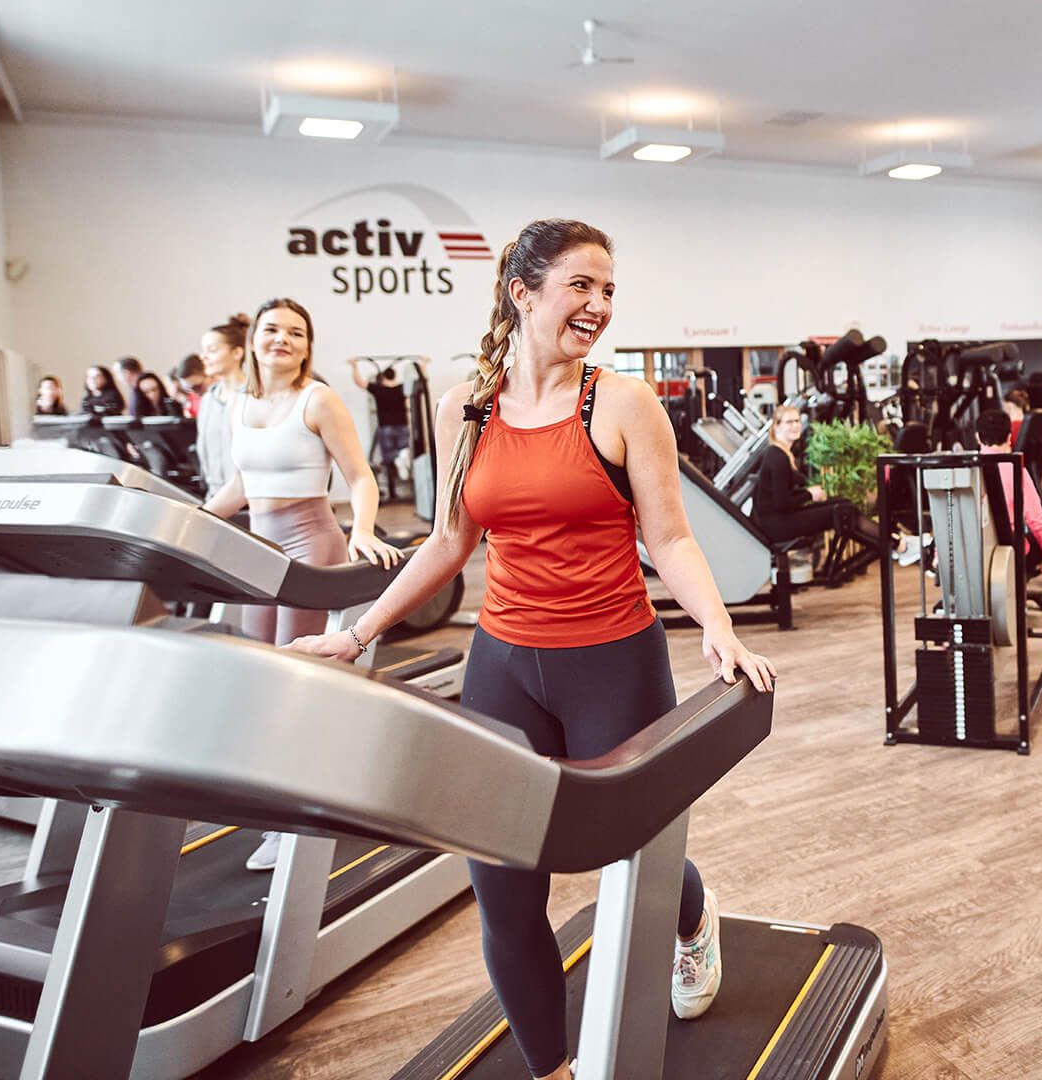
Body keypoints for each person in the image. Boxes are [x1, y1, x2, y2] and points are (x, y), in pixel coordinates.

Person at [292, 219, 776, 1080]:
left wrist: (717, 625)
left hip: (613, 659)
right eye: (580, 286)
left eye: (609, 290)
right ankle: (549, 1067)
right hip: (504, 662)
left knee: (642, 846)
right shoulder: (466, 405)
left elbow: (669, 539)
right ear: (523, 292)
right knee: (504, 885)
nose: (598, 305)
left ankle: (693, 926)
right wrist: (358, 632)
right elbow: (448, 543)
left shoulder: (623, 403)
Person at [203, 297, 400, 871]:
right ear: (253, 341)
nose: (282, 340)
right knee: (258, 678)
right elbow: (242, 481)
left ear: (307, 345)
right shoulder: (241, 402)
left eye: (295, 332)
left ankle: (292, 819)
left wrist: (362, 528)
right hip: (256, 548)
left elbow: (359, 475)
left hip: (309, 543)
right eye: (271, 330)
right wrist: (193, 521)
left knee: (293, 681)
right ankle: (276, 798)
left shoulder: (319, 400)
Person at [753, 404, 911, 565]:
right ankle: (898, 545)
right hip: (778, 525)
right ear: (776, 426)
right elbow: (782, 503)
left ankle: (893, 539)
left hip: (779, 520)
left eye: (797, 421)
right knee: (844, 511)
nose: (795, 426)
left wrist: (810, 491)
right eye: (789, 422)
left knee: (844, 503)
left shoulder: (781, 453)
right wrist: (809, 494)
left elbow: (789, 493)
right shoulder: (778, 457)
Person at [977, 408, 1042, 575]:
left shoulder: (966, 471)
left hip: (975, 555)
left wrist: (938, 555)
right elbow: (1035, 519)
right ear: (1009, 437)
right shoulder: (1015, 469)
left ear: (977, 437)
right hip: (1011, 556)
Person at [197, 315, 250, 500]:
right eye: (203, 350)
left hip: (247, 502)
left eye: (212, 350)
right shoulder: (208, 399)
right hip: (214, 497)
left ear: (237, 353)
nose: (204, 357)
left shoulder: (252, 397)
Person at [349, 359, 411, 501]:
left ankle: (394, 472)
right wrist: (423, 365)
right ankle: (400, 457)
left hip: (386, 428)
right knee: (403, 452)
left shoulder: (379, 389)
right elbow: (420, 382)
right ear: (394, 376)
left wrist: (354, 366)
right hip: (402, 427)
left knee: (388, 460)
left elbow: (359, 382)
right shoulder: (401, 388)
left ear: (382, 378)